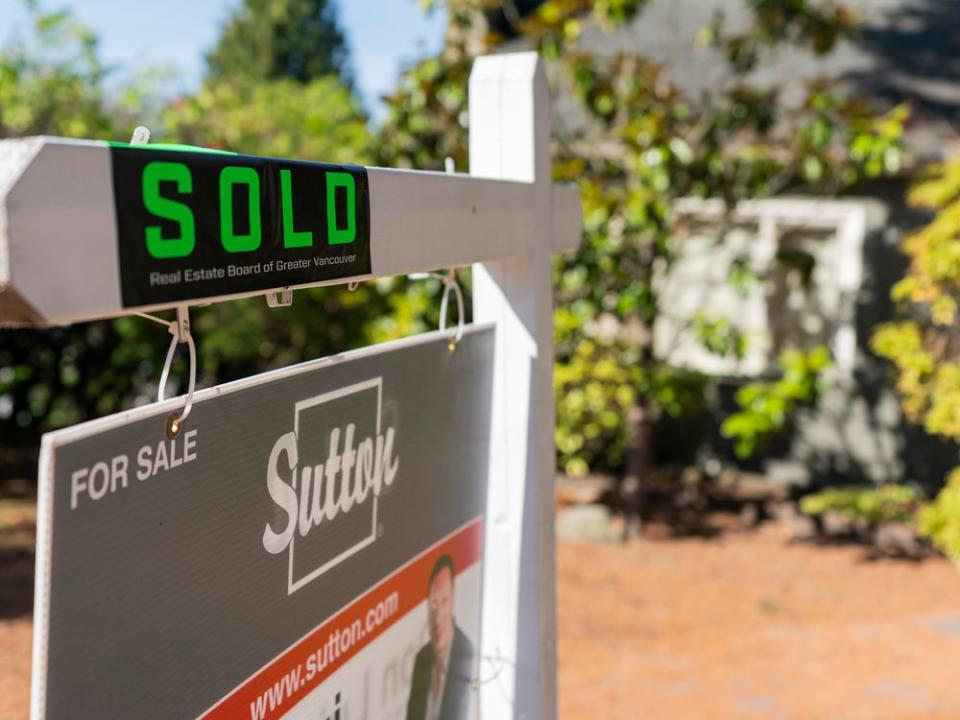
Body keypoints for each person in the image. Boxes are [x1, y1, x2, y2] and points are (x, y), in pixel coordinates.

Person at [406, 554, 475, 720]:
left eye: (444, 601)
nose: (438, 617)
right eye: (433, 604)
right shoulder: (422, 659)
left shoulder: (466, 653)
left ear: (453, 597)